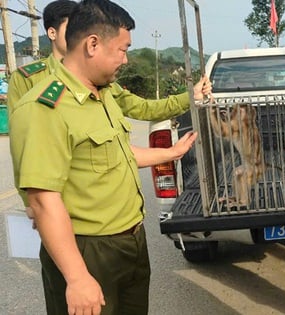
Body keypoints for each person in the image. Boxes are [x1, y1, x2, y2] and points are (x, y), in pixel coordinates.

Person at [8, 0, 206, 314]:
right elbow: (43, 199)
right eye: (123, 49)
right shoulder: (45, 107)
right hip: (88, 249)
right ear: (92, 44)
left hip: (130, 242)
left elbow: (117, 155)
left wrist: (172, 151)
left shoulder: (103, 93)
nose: (126, 60)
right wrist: (76, 277)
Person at [7, 0, 211, 119]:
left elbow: (143, 108)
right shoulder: (27, 80)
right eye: (71, 28)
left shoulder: (100, 81)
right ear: (51, 33)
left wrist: (191, 96)